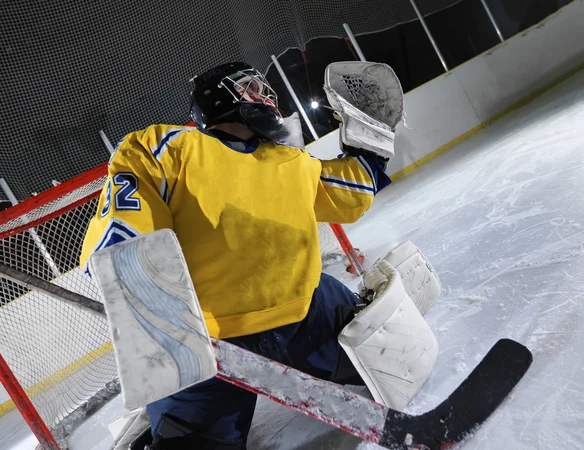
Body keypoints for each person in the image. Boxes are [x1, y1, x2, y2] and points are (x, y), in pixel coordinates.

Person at [80, 62, 391, 449]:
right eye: (250, 87)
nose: (267, 96)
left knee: (386, 347)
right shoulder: (167, 147)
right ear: (214, 98)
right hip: (214, 346)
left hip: (303, 314)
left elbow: (351, 193)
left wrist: (372, 142)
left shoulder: (290, 159)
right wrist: (158, 329)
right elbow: (122, 233)